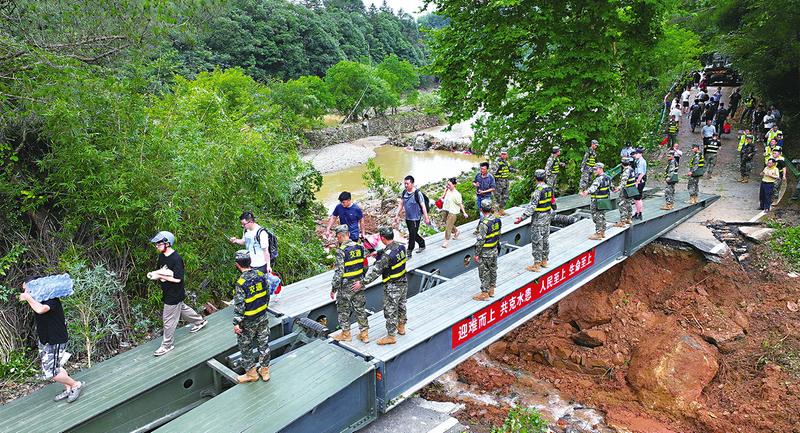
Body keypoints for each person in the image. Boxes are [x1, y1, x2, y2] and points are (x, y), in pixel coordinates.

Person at [18, 283, 84, 403]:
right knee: (56, 366)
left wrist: (28, 298)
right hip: (46, 340)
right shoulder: (39, 297)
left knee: (51, 373)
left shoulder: (51, 298)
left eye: (26, 288)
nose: (25, 291)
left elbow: (40, 309)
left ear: (35, 286)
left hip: (56, 340)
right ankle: (68, 388)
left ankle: (76, 385)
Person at [150, 231, 207, 357]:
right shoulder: (162, 256)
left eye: (158, 244)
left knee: (168, 320)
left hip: (174, 294)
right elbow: (163, 270)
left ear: (167, 243)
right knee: (182, 308)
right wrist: (158, 274)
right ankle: (199, 321)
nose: (156, 246)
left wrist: (160, 275)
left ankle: (167, 345)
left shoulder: (176, 259)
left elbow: (178, 279)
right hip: (168, 291)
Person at [356, 227, 408, 345]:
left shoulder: (387, 256)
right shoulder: (401, 247)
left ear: (383, 238)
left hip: (392, 285)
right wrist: (379, 253)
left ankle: (391, 336)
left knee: (390, 310)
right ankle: (401, 326)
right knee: (401, 305)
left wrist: (362, 283)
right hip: (403, 282)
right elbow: (389, 253)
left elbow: (375, 272)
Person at [232, 250, 271, 383]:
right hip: (263, 316)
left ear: (237, 265)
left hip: (248, 321)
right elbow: (267, 294)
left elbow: (239, 305)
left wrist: (236, 323)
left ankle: (251, 374)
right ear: (250, 262)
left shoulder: (241, 282)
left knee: (246, 346)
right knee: (263, 344)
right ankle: (265, 371)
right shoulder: (261, 275)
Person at [330, 225, 368, 343]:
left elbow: (339, 272)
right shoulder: (360, 247)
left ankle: (346, 334)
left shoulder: (341, 251)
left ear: (341, 236)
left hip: (345, 286)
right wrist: (361, 280)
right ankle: (364, 334)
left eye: (337, 237)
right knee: (360, 308)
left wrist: (333, 288)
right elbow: (365, 266)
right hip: (358, 283)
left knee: (343, 309)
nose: (337, 240)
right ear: (349, 234)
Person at [515, 170, 553, 272]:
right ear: (544, 177)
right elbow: (553, 202)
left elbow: (532, 207)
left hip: (538, 219)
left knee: (537, 241)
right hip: (547, 217)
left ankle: (536, 265)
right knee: (545, 239)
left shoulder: (538, 191)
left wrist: (521, 218)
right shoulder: (549, 188)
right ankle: (544, 261)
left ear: (535, 178)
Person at [394, 175, 430, 257]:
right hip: (408, 218)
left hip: (415, 218)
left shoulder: (417, 193)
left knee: (411, 235)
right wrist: (396, 215)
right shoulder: (404, 192)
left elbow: (423, 206)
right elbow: (401, 204)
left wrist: (426, 218)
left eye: (407, 184)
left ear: (412, 183)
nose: (406, 185)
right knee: (413, 233)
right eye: (405, 184)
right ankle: (422, 243)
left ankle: (409, 251)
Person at [473, 199, 500, 301]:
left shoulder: (483, 224)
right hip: (494, 250)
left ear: (481, 209)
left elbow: (480, 240)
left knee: (484, 272)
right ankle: (491, 290)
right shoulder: (497, 220)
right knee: (493, 270)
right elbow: (498, 235)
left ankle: (484, 293)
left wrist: (477, 254)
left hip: (485, 252)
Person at [580, 163, 611, 240]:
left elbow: (593, 188)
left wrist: (585, 192)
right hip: (605, 200)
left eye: (596, 169)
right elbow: (612, 188)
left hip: (597, 201)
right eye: (594, 169)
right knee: (602, 216)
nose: (594, 171)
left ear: (601, 169)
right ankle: (602, 231)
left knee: (596, 217)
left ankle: (599, 233)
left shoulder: (598, 179)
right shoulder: (608, 177)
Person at [440, 178, 468, 248]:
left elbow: (460, 204)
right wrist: (443, 194)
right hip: (446, 209)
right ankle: (456, 231)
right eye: (447, 184)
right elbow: (443, 196)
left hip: (453, 211)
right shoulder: (447, 190)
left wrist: (464, 213)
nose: (448, 186)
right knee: (446, 223)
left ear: (454, 185)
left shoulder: (457, 194)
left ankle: (446, 241)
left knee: (448, 226)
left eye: (449, 184)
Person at [614, 157, 636, 226]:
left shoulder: (626, 171)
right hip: (632, 189)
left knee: (621, 204)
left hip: (626, 190)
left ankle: (622, 221)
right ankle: (629, 218)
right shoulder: (631, 169)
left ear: (622, 163)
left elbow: (623, 182)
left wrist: (618, 188)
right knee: (629, 204)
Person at [492, 149, 516, 215]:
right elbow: (492, 173)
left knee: (505, 197)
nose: (503, 155)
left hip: (506, 181)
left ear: (507, 155)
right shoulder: (497, 162)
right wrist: (492, 183)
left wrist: (517, 171)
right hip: (498, 182)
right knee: (497, 197)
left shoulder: (507, 163)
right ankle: (495, 212)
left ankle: (501, 210)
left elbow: (511, 169)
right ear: (500, 154)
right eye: (502, 154)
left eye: (505, 154)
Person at [632, 149, 647, 220]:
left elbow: (641, 173)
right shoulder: (637, 160)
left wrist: (637, 182)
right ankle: (637, 212)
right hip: (638, 179)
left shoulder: (641, 161)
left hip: (640, 180)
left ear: (640, 154)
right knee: (636, 198)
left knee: (638, 198)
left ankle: (639, 213)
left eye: (636, 153)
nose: (635, 155)